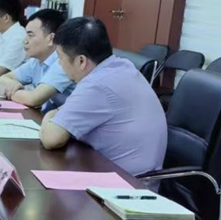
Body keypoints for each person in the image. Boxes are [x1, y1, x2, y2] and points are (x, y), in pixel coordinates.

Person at [39, 16, 168, 176]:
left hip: (126, 183)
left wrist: (48, 116)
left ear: (81, 61)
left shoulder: (96, 84)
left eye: (60, 57)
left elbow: (52, 138)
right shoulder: (123, 67)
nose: (59, 64)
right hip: (113, 170)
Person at [0, 8, 73, 110]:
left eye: (30, 35)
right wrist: (15, 86)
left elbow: (33, 99)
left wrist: (6, 91)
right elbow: (2, 79)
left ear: (51, 39)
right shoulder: (36, 61)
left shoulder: (63, 62)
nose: (24, 41)